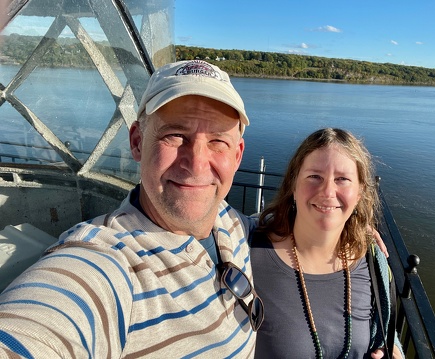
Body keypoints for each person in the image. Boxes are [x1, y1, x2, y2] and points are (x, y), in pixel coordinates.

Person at [0, 60, 261, 358]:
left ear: (237, 156)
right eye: (175, 135)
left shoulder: (228, 220)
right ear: (137, 142)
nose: (197, 164)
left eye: (218, 141)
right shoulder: (109, 261)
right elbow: (42, 326)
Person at [251, 128, 404, 358]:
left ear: (360, 192)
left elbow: (383, 329)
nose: (327, 191)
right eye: (314, 177)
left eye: (342, 179)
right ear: (293, 185)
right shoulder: (249, 249)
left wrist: (393, 350)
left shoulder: (371, 259)